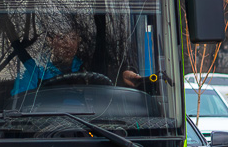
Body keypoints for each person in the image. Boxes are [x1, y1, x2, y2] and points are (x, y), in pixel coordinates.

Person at [12, 25, 143, 96]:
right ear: (50, 41)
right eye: (62, 38)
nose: (68, 44)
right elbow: (22, 106)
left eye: (73, 38)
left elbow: (111, 80)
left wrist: (122, 77)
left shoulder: (88, 67)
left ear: (79, 42)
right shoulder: (33, 69)